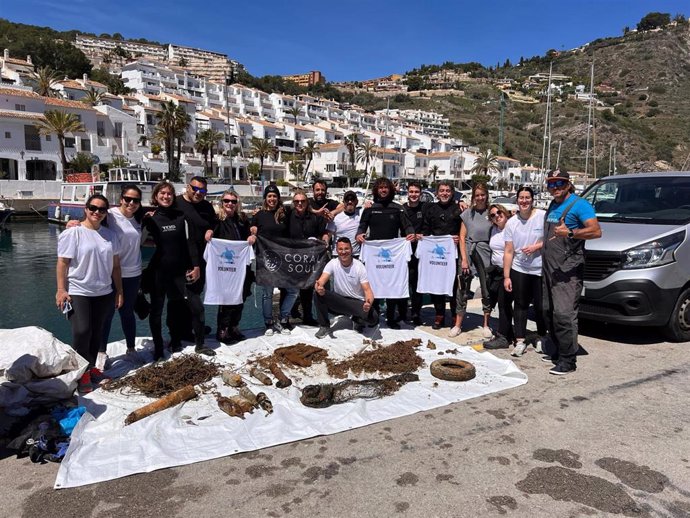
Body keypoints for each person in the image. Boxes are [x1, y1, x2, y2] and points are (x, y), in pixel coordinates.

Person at [56, 194, 123, 394]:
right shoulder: (73, 233)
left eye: (102, 209)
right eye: (93, 208)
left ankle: (91, 367)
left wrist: (119, 291)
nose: (97, 212)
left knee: (97, 333)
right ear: (86, 209)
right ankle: (80, 373)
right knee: (82, 331)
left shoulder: (111, 236)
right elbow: (62, 263)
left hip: (104, 292)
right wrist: (61, 289)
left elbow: (116, 267)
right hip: (79, 291)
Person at [145, 181, 215, 360]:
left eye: (169, 193)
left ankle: (200, 345)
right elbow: (123, 226)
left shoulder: (181, 217)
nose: (166, 196)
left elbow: (190, 243)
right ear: (155, 196)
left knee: (195, 308)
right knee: (158, 312)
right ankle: (160, 348)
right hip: (159, 272)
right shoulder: (149, 218)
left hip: (181, 270)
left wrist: (196, 266)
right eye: (162, 193)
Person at [542, 170, 601, 375]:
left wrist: (570, 232)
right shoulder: (553, 204)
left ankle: (568, 360)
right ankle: (559, 350)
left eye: (559, 183)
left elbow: (596, 231)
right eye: (551, 184)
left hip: (568, 271)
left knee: (564, 314)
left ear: (568, 184)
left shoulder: (580, 205)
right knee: (548, 311)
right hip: (550, 269)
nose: (555, 187)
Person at [356, 177, 415, 329]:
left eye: (386, 187)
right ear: (376, 190)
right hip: (374, 253)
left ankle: (391, 318)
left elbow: (407, 226)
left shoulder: (397, 208)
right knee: (373, 286)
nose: (383, 190)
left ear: (390, 190)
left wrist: (410, 234)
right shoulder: (369, 209)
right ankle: (374, 317)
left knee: (391, 285)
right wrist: (359, 234)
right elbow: (362, 226)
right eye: (380, 188)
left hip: (393, 253)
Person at [204, 190, 256, 344]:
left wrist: (252, 237)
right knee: (226, 299)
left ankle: (234, 326)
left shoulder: (242, 219)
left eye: (233, 201)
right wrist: (208, 233)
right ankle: (223, 329)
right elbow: (209, 231)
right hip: (225, 267)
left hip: (241, 266)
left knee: (241, 297)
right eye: (227, 201)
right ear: (222, 202)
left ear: (237, 204)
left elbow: (249, 234)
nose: (230, 204)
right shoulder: (216, 219)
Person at [100, 185, 144, 363]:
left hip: (133, 274)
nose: (131, 203)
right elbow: (90, 222)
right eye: (128, 199)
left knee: (127, 313)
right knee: (107, 313)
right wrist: (73, 224)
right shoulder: (110, 216)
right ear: (121, 199)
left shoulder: (138, 219)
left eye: (136, 200)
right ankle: (101, 352)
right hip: (111, 273)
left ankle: (131, 349)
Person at [503, 186, 547, 357]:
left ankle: (542, 336)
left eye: (527, 197)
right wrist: (506, 276)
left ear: (532, 199)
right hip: (519, 268)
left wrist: (537, 246)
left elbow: (553, 237)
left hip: (539, 269)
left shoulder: (542, 217)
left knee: (540, 306)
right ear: (517, 200)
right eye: (521, 197)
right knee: (520, 305)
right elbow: (508, 251)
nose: (524, 201)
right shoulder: (511, 223)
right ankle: (520, 339)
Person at [250, 184, 299, 336]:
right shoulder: (258, 216)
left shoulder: (286, 212)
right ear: (265, 198)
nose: (272, 199)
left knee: (293, 290)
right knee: (267, 293)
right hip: (266, 260)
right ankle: (269, 322)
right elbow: (251, 230)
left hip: (284, 258)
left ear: (278, 198)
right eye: (269, 196)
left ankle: (283, 318)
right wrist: (252, 231)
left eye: (275, 196)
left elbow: (302, 208)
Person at [174, 176, 217, 341]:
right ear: (187, 187)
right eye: (195, 189)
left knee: (196, 294)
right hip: (182, 260)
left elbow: (214, 223)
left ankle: (193, 327)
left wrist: (211, 230)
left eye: (203, 190)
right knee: (183, 299)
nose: (198, 193)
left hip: (201, 259)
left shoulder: (206, 206)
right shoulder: (177, 203)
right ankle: (181, 333)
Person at [313, 237, 378, 338]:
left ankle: (356, 319)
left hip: (355, 302)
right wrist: (319, 287)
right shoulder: (332, 263)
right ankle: (324, 326)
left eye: (346, 249)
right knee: (317, 294)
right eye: (340, 249)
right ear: (337, 250)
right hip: (340, 301)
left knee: (373, 318)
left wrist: (368, 303)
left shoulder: (359, 266)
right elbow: (321, 281)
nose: (343, 252)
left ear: (351, 250)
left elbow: (368, 290)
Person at [452, 183, 493, 338]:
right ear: (473, 197)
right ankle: (458, 324)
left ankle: (486, 324)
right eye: (477, 195)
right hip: (468, 251)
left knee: (486, 288)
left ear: (486, 196)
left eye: (483, 195)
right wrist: (463, 259)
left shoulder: (492, 213)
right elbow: (462, 237)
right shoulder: (468, 213)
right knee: (462, 289)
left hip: (485, 252)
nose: (480, 198)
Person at [421, 181, 462, 330]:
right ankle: (439, 315)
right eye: (442, 191)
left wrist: (458, 236)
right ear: (437, 193)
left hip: (453, 254)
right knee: (436, 284)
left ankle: (453, 315)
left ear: (452, 193)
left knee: (453, 286)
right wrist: (423, 238)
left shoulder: (459, 209)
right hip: (435, 255)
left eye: (448, 191)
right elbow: (426, 228)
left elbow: (465, 230)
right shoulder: (431, 209)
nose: (445, 193)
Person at [286, 189, 329, 326]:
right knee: (289, 289)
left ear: (307, 202)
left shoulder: (315, 217)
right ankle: (285, 317)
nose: (300, 203)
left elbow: (323, 233)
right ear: (293, 202)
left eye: (303, 201)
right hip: (291, 258)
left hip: (309, 259)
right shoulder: (288, 215)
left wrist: (325, 240)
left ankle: (308, 316)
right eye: (297, 201)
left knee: (307, 289)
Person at [403, 182, 426, 325]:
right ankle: (404, 311)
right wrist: (369, 204)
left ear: (421, 193)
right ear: (407, 193)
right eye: (411, 192)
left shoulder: (426, 207)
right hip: (404, 253)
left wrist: (460, 202)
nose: (414, 194)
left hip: (420, 253)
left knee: (417, 285)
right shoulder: (402, 209)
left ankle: (416, 313)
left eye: (416, 192)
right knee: (404, 283)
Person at [331, 190, 361, 257]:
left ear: (356, 202)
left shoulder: (361, 213)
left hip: (355, 255)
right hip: (338, 254)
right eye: (347, 200)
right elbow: (328, 234)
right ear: (343, 202)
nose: (350, 202)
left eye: (352, 199)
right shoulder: (336, 218)